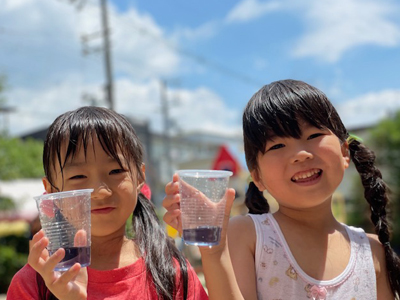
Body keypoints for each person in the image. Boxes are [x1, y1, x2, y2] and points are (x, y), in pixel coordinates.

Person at [163, 79, 400, 299]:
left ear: (344, 152)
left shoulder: (372, 250)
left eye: (314, 134)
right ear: (257, 176)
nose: (300, 154)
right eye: (277, 145)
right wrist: (214, 253)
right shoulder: (247, 235)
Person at [7, 106, 208, 300]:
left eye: (115, 171)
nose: (100, 192)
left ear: (139, 178)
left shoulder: (171, 272)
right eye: (78, 176)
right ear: (51, 190)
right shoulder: (34, 283)